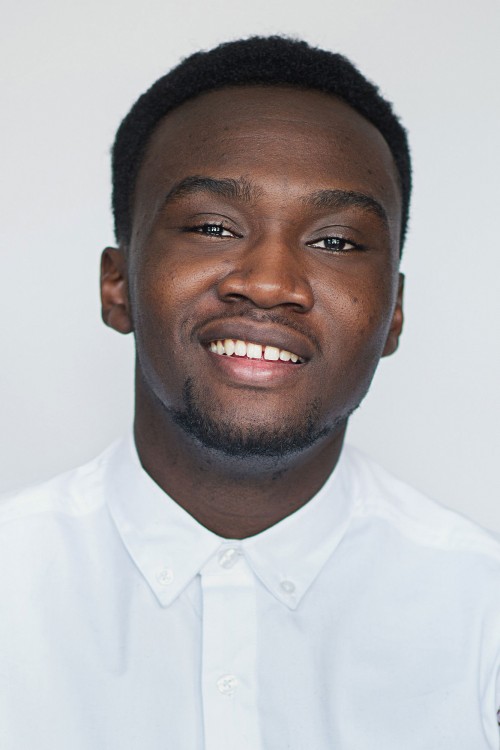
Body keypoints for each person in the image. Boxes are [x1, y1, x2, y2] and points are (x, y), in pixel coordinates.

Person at [1, 36, 499, 750]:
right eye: (212, 227)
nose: (268, 284)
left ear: (393, 312)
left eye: (335, 242)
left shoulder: (484, 619)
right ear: (118, 286)